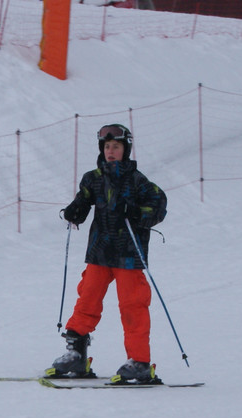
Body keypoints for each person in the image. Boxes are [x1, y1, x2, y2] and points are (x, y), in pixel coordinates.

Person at [48, 123, 168, 384]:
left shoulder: (138, 181)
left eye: (116, 146)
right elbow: (84, 198)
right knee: (87, 298)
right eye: (107, 147)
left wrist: (136, 212)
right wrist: (75, 210)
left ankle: (139, 362)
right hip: (99, 252)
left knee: (132, 305)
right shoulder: (93, 178)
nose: (111, 151)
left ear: (126, 150)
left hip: (127, 254)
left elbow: (158, 206)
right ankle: (76, 355)